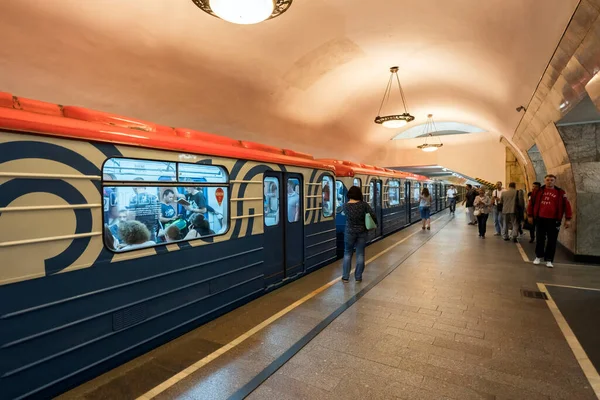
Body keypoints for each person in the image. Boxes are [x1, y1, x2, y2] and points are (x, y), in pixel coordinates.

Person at [527, 174, 572, 268]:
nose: (549, 181)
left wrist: (568, 219)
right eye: (547, 180)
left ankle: (549, 260)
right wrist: (530, 215)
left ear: (555, 181)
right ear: (544, 181)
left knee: (552, 240)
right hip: (540, 219)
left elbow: (566, 205)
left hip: (554, 220)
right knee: (540, 239)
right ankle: (538, 256)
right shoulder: (537, 191)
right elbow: (531, 204)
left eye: (552, 180)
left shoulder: (560, 192)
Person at [341, 186, 377, 283]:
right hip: (362, 232)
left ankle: (345, 277)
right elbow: (372, 215)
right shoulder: (363, 205)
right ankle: (358, 277)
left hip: (349, 232)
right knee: (360, 254)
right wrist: (375, 224)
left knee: (347, 253)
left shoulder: (345, 206)